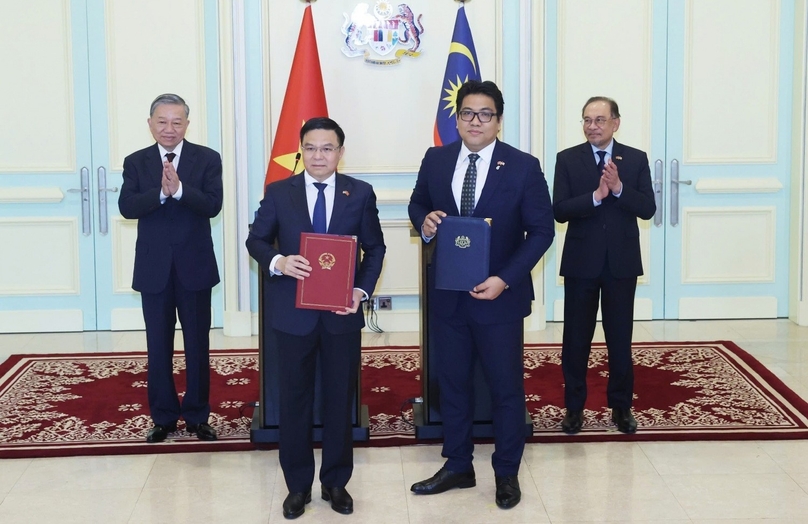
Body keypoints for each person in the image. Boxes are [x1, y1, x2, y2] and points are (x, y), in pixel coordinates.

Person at [408, 80, 554, 509]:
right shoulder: (436, 160)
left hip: (499, 297)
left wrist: (505, 279)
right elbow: (417, 205)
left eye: (485, 114)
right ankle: (458, 464)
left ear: (498, 120)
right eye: (468, 113)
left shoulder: (523, 166)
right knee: (452, 383)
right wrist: (426, 221)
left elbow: (541, 232)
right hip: (449, 295)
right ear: (456, 118)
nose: (475, 121)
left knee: (505, 387)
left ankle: (506, 473)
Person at [246, 117, 385, 519]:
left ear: (340, 152)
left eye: (327, 148)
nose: (318, 155)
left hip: (341, 315)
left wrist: (359, 292)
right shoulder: (279, 192)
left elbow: (374, 250)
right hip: (293, 316)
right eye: (310, 148)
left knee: (340, 399)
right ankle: (298, 486)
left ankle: (336, 482)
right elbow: (255, 239)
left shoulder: (359, 194)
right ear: (300, 151)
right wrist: (278, 261)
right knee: (294, 400)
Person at [118, 93, 223, 443]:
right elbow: (128, 207)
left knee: (197, 345)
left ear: (187, 125)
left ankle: (197, 416)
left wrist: (180, 191)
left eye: (177, 122)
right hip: (154, 269)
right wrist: (161, 195)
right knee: (157, 346)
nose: (169, 128)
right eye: (162, 121)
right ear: (150, 124)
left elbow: (212, 205)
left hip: (194, 267)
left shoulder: (207, 159)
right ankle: (162, 418)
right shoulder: (135, 162)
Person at [553, 96, 656, 435]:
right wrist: (597, 196)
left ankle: (621, 407)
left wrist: (619, 187)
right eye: (586, 120)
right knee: (576, 340)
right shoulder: (568, 159)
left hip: (621, 265)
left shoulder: (636, 159)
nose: (592, 126)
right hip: (582, 263)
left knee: (619, 340)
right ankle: (573, 409)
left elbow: (647, 209)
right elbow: (560, 210)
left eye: (599, 120)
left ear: (616, 122)